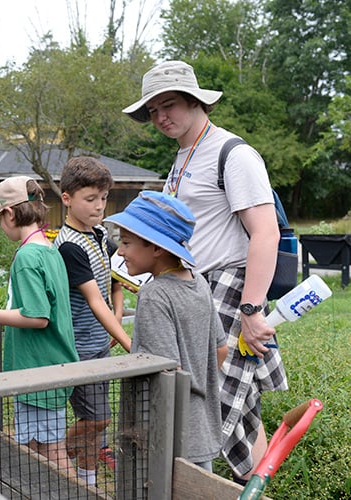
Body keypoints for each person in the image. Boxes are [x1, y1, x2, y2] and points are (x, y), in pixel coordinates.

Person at [122, 60, 286, 482]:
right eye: (153, 110)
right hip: (193, 290)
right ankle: (251, 489)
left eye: (169, 105)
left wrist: (251, 309)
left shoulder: (234, 153)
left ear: (196, 101)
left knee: (219, 407)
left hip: (231, 291)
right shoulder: (183, 157)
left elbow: (264, 232)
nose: (161, 117)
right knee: (238, 407)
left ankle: (244, 490)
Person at [0, 176, 80, 476]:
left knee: (51, 455)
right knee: (39, 451)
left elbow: (37, 316)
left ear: (9, 213)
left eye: (0, 220)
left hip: (38, 370)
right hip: (51, 367)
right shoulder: (49, 250)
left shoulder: (26, 256)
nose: (2, 228)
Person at [105, 191, 228, 471]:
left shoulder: (155, 295)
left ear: (157, 248)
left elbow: (163, 375)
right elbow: (221, 349)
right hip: (197, 428)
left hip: (163, 436)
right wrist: (197, 387)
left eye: (126, 243)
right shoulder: (199, 284)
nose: (120, 252)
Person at [53, 156, 132, 484]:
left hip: (100, 342)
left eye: (103, 198)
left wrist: (118, 312)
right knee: (98, 418)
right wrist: (130, 342)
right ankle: (56, 448)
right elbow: (93, 300)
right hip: (79, 347)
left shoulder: (100, 235)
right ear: (67, 199)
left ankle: (87, 479)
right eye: (90, 199)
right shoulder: (70, 246)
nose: (99, 206)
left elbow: (117, 279)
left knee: (95, 419)